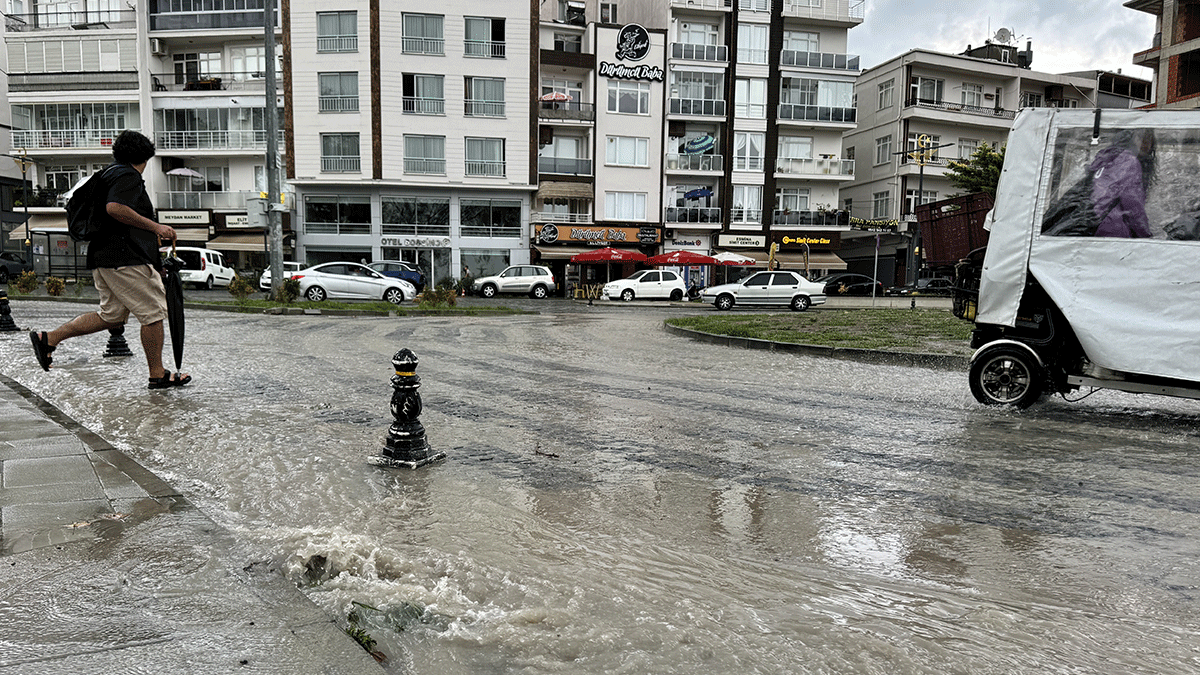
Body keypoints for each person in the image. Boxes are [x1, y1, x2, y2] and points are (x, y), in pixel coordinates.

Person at [29, 130, 190, 389]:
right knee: (153, 313)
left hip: (104, 257)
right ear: (145, 156)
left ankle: (49, 338)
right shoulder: (128, 176)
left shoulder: (108, 173)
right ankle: (157, 373)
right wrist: (156, 227)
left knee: (111, 316)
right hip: (125, 258)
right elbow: (115, 208)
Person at [1091, 128, 1155, 239]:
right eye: (1141, 138)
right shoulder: (1129, 161)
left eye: (1149, 139)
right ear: (1130, 138)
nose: (1146, 144)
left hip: (1094, 226)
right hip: (1114, 230)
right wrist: (1145, 235)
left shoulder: (1106, 158)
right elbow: (1133, 205)